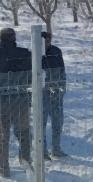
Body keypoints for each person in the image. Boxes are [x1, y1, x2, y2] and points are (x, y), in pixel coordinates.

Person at [0, 27, 32, 177]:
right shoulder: (24, 54)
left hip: (1, 101)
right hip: (21, 99)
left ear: (0, 38)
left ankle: (4, 168)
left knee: (3, 135)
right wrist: (25, 90)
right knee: (24, 132)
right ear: (14, 38)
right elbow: (34, 75)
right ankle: (26, 161)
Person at [41, 31, 67, 159]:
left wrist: (62, 88)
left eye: (49, 41)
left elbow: (62, 71)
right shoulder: (34, 54)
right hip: (42, 94)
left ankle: (56, 148)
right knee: (41, 123)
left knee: (58, 121)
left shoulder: (56, 51)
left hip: (56, 92)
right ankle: (43, 151)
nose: (47, 43)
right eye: (45, 41)